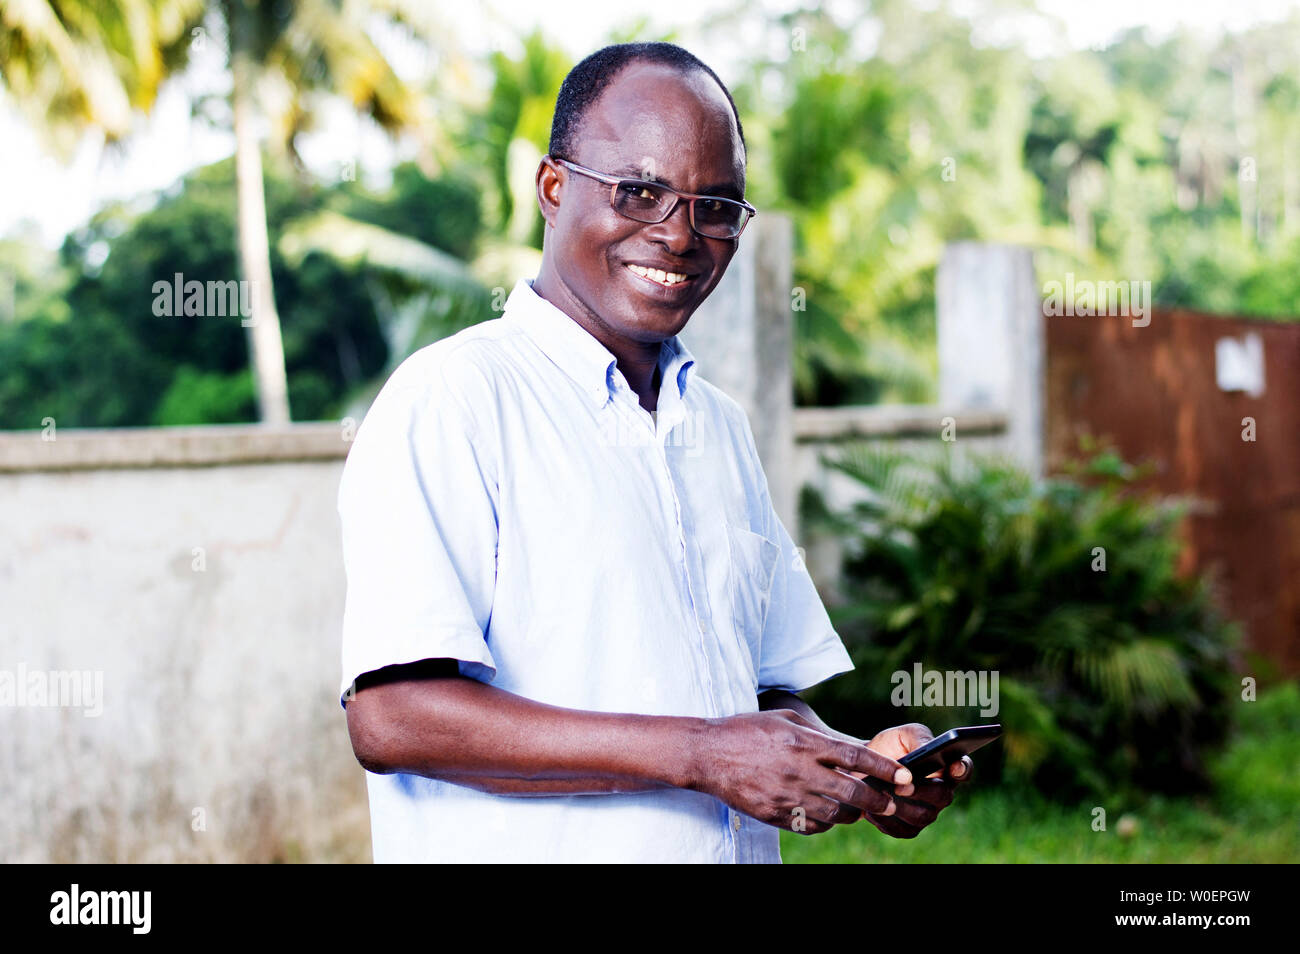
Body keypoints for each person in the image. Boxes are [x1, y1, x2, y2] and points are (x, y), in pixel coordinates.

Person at [338, 41, 972, 863]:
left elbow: (758, 700)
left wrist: (857, 765)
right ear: (553, 188)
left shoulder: (718, 427)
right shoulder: (453, 400)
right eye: (640, 192)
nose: (679, 235)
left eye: (716, 206)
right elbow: (392, 716)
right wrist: (702, 755)